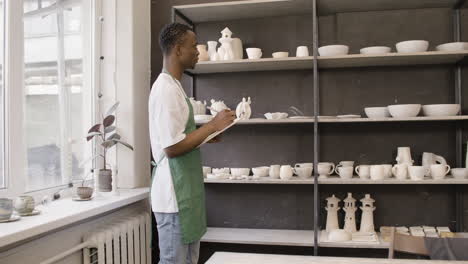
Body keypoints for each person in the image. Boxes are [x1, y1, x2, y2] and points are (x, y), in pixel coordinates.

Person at [149, 22, 236, 264]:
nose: (198, 51)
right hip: (173, 196)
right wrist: (211, 125)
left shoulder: (175, 87)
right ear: (177, 50)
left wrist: (206, 136)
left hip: (183, 192)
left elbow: (179, 137)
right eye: (193, 46)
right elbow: (171, 147)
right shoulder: (165, 89)